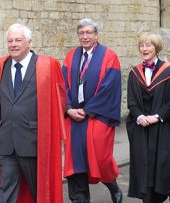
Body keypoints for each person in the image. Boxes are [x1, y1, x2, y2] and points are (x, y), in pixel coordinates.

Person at [0, 23, 66, 202]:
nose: (13, 44)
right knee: (6, 191)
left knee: (39, 193)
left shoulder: (47, 66)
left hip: (34, 144)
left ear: (29, 42)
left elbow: (59, 102)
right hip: (6, 143)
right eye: (10, 40)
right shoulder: (0, 66)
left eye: (18, 40)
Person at [62, 18, 122, 203]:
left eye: (89, 33)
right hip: (74, 116)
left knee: (100, 158)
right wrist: (69, 108)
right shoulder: (71, 55)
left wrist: (87, 111)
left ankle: (111, 183)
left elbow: (109, 88)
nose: (85, 36)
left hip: (97, 116)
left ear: (96, 35)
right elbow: (62, 85)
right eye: (81, 33)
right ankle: (79, 199)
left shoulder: (109, 56)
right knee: (75, 160)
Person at [126, 33, 170, 202]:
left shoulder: (169, 71)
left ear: (157, 48)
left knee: (164, 167)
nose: (144, 49)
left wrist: (157, 116)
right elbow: (132, 101)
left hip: (163, 129)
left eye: (148, 45)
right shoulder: (135, 73)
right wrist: (139, 116)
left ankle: (166, 195)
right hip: (142, 129)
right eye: (141, 45)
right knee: (144, 167)